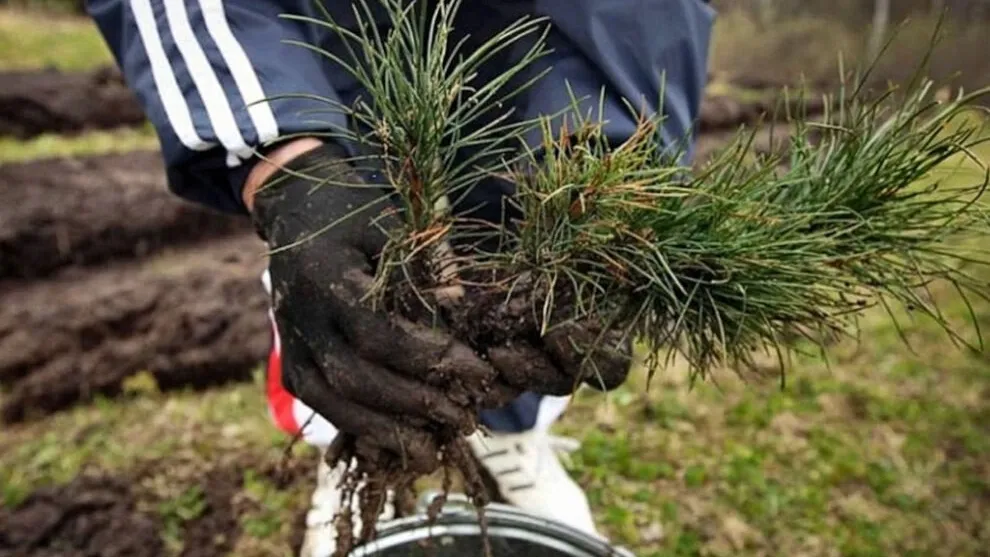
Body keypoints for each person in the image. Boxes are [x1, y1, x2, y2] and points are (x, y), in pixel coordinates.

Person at [86, 0, 714, 555]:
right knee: (341, 264)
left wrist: (606, 159)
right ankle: (356, 451)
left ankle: (509, 434)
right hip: (321, 40)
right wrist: (283, 160)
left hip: (520, 49)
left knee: (514, 260)